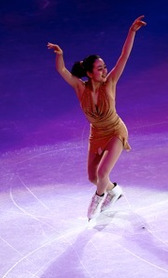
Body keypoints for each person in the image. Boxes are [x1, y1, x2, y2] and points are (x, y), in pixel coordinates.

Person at [47, 15, 147, 220]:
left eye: (104, 68)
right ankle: (114, 191)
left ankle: (98, 199)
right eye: (99, 68)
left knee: (102, 174)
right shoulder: (80, 88)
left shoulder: (110, 83)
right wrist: (60, 54)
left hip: (115, 131)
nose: (104, 71)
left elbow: (123, 57)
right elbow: (62, 70)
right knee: (93, 177)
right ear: (90, 73)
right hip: (97, 133)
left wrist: (132, 32)